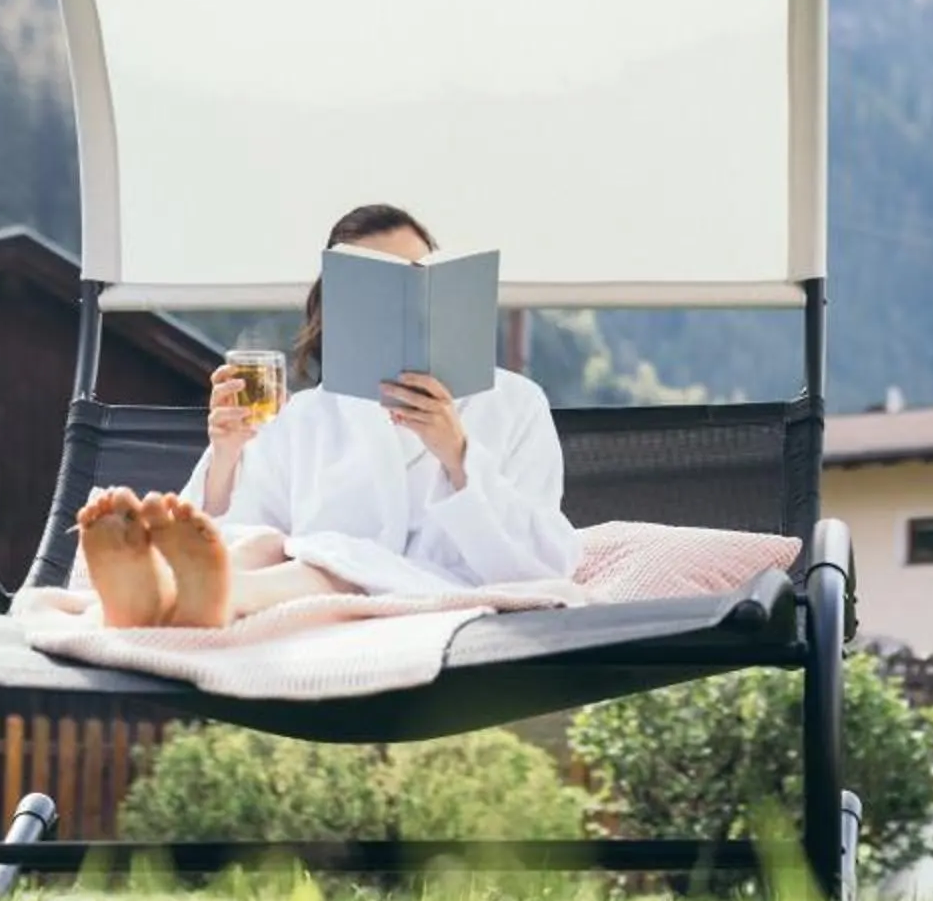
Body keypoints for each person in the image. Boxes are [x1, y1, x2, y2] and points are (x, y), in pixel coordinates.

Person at [73, 203, 579, 629]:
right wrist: (227, 457)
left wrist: (458, 457)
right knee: (263, 549)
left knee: (335, 562)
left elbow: (542, 565)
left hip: (431, 590)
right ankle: (161, 589)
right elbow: (248, 526)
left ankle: (213, 595)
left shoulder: (516, 403)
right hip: (291, 574)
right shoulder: (309, 415)